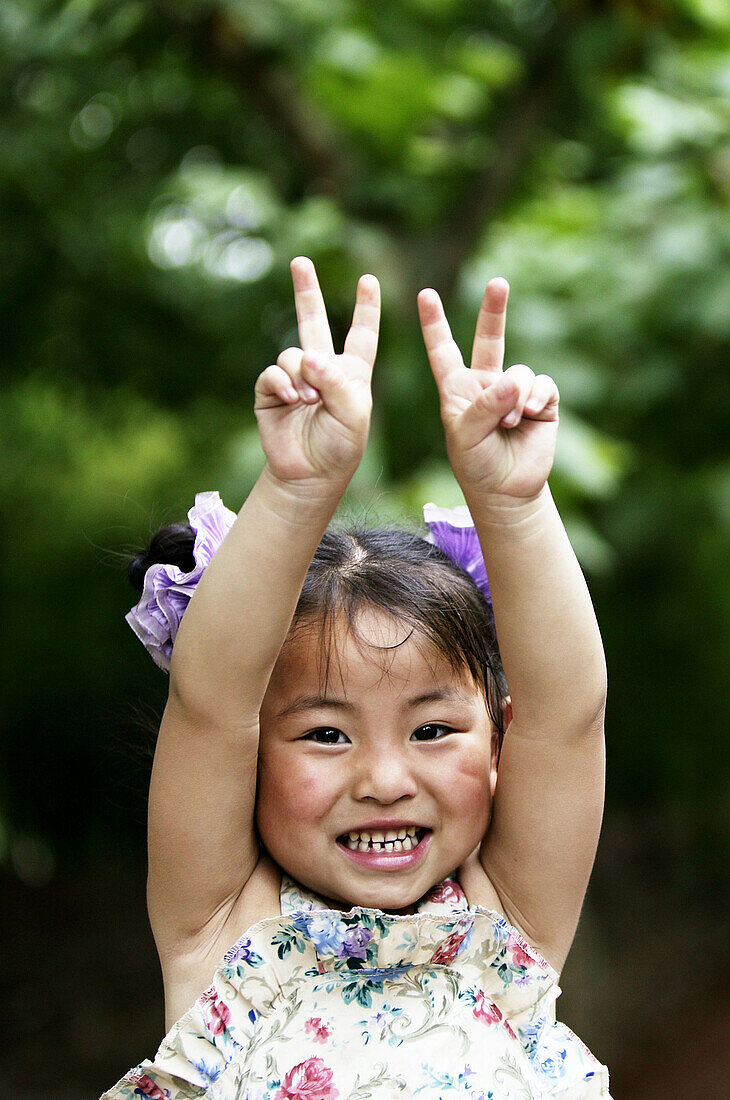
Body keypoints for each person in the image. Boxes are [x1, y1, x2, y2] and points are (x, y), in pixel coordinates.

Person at [104, 258, 610, 1099]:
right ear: (253, 757)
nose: (384, 780)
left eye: (433, 729)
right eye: (327, 734)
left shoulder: (503, 924)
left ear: (499, 740)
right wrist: (298, 487)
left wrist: (513, 504)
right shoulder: (226, 931)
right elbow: (212, 700)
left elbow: (568, 716)